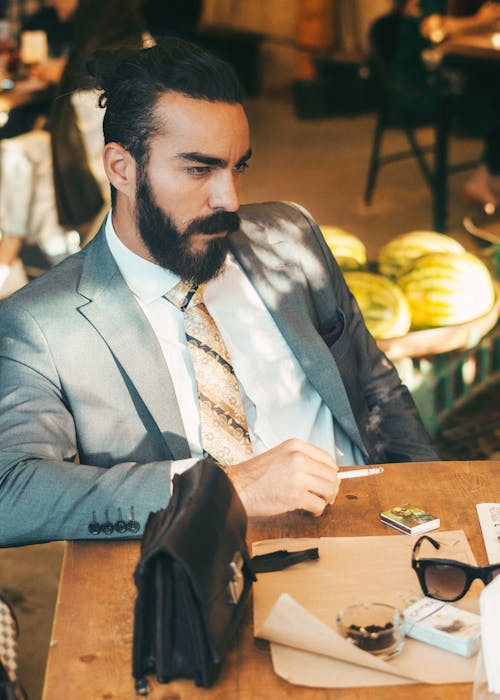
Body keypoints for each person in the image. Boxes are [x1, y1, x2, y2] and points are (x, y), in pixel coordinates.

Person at [0, 39, 440, 547]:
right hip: (209, 571)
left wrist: (434, 511)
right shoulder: (41, 323)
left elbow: (376, 387)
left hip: (369, 529)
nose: (229, 198)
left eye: (238, 167)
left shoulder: (289, 234)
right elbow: (11, 494)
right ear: (121, 168)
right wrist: (223, 490)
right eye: (198, 169)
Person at [0, 0, 148, 296]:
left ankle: (8, 261)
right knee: (20, 152)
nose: (51, 3)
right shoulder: (124, 36)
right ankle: (8, 260)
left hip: (100, 181)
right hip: (106, 169)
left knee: (22, 155)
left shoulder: (94, 78)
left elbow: (92, 147)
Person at [390, 0, 500, 207]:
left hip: (453, 76)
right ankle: (487, 176)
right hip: (419, 86)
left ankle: (489, 175)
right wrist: (478, 22)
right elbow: (432, 30)